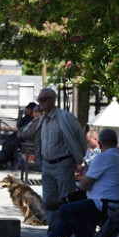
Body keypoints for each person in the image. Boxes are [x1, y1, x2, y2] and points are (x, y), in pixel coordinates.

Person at [46, 127, 119, 237]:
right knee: (71, 211)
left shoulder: (103, 157)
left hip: (105, 205)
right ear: (115, 142)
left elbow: (84, 185)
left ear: (100, 143)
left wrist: (86, 171)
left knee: (66, 211)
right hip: (117, 205)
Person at [34, 87, 86, 223]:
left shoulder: (65, 117)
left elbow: (80, 137)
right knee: (48, 200)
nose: (41, 102)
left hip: (63, 163)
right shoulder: (42, 119)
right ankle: (52, 231)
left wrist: (79, 158)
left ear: (53, 100)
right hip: (47, 164)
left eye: (44, 99)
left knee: (64, 199)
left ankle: (64, 233)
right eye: (39, 99)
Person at [0, 102, 39, 169]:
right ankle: (2, 161)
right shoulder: (27, 117)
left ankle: (0, 161)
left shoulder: (36, 121)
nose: (27, 110)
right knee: (6, 142)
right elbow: (20, 127)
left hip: (27, 139)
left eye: (35, 111)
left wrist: (17, 131)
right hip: (20, 135)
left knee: (11, 144)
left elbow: (29, 131)